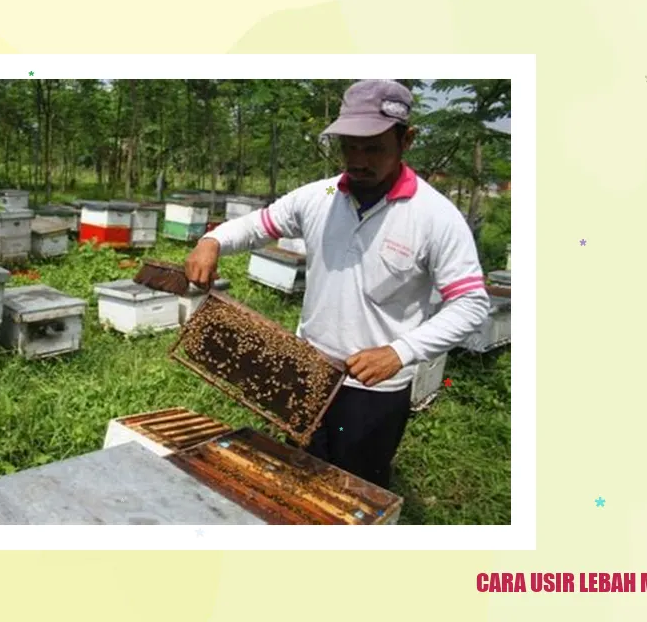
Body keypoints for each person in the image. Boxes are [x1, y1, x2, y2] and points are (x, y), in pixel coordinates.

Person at [184, 79, 491, 489]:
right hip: (305, 368)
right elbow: (260, 225)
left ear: (407, 140)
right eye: (350, 147)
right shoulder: (322, 194)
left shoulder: (435, 215)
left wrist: (400, 352)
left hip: (373, 388)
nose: (358, 160)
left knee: (353, 490)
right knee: (298, 475)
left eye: (373, 147)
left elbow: (471, 303)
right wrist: (213, 240)